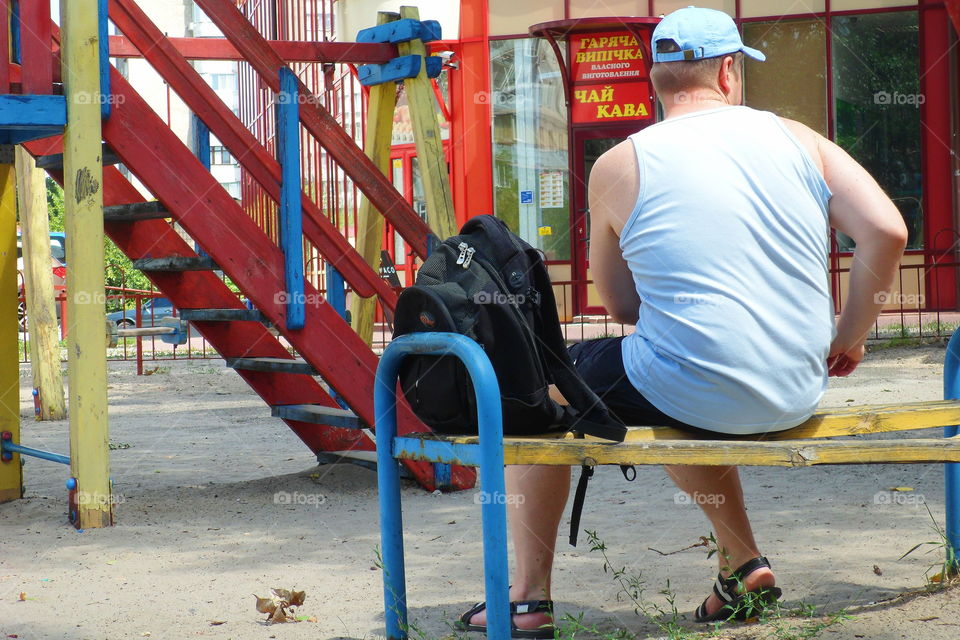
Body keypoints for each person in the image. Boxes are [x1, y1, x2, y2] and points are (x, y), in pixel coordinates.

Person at [456, 6, 908, 638]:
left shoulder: (619, 163)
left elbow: (619, 306)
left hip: (690, 382)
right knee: (675, 380)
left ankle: (527, 599)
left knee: (545, 389)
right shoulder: (799, 138)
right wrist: (850, 335)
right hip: (797, 387)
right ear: (729, 72)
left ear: (654, 80)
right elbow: (887, 230)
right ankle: (742, 564)